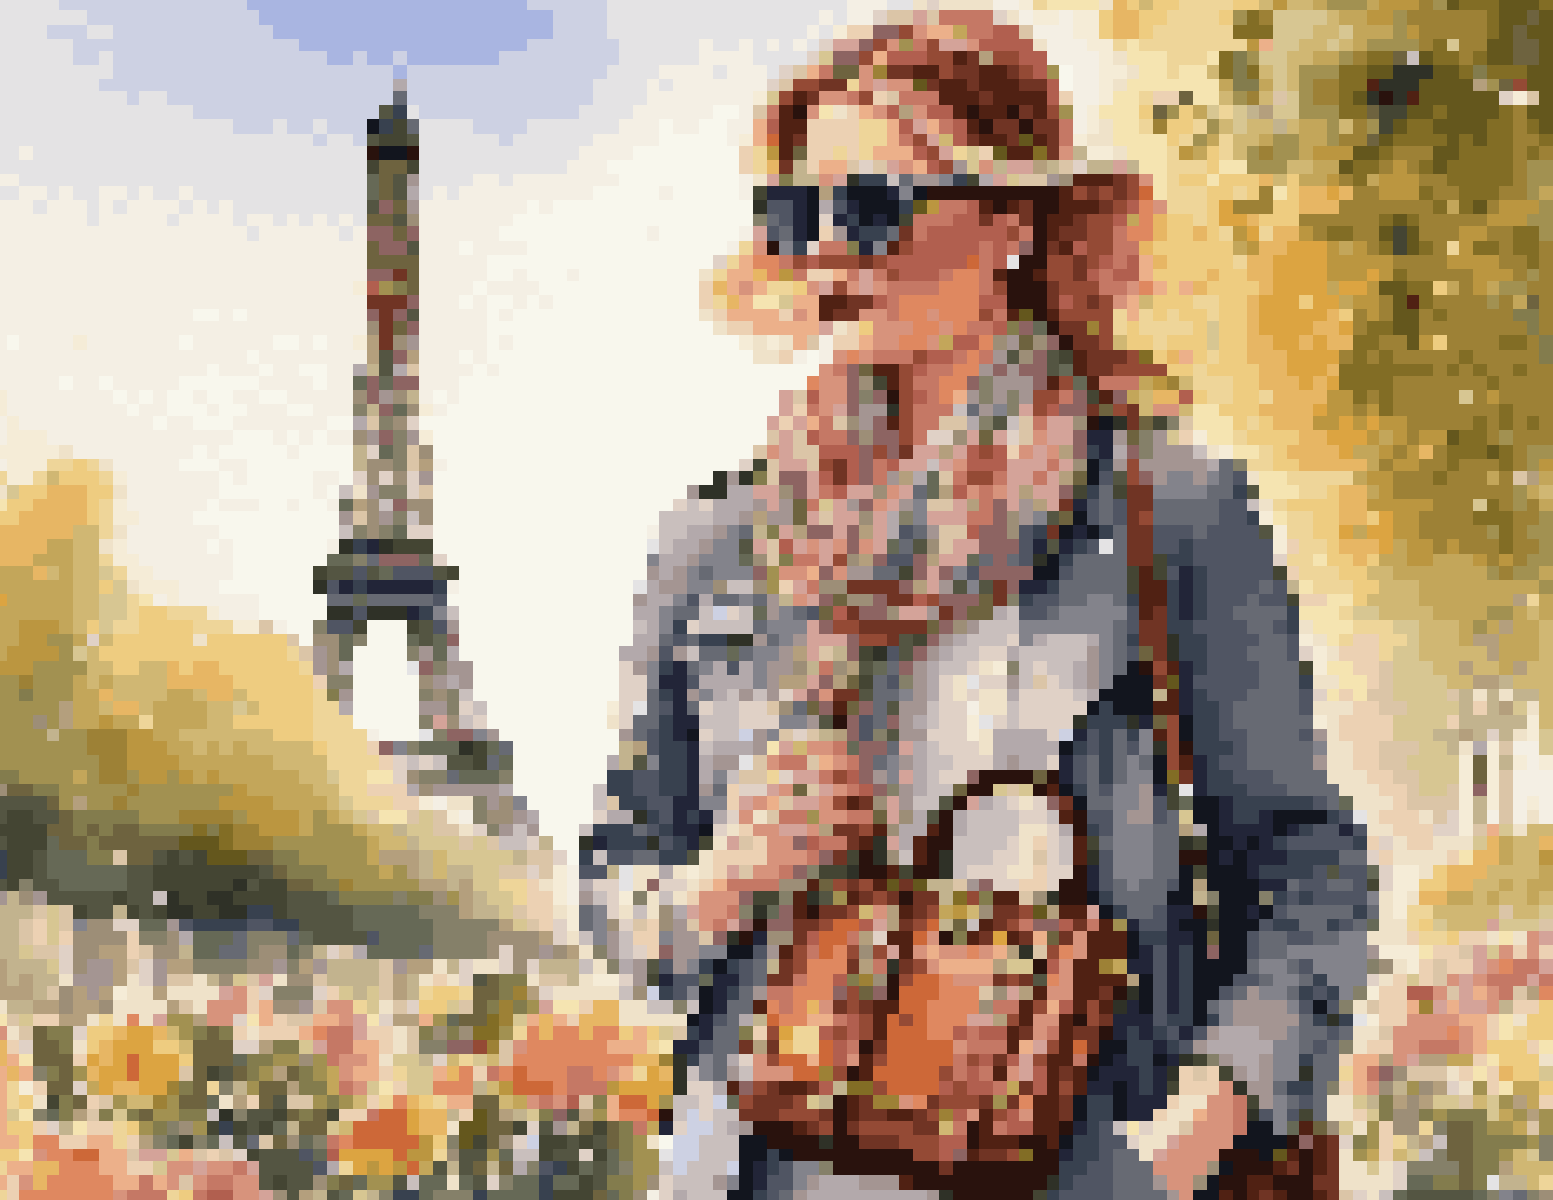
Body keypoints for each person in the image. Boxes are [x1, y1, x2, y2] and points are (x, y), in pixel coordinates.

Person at [577, 11, 1375, 1199]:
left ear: (1012, 221)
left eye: (874, 207)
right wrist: (720, 881)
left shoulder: (1167, 508)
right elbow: (617, 879)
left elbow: (1307, 874)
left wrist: (1187, 1142)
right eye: (800, 219)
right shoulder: (718, 541)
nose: (831, 255)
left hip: (1077, 1166)